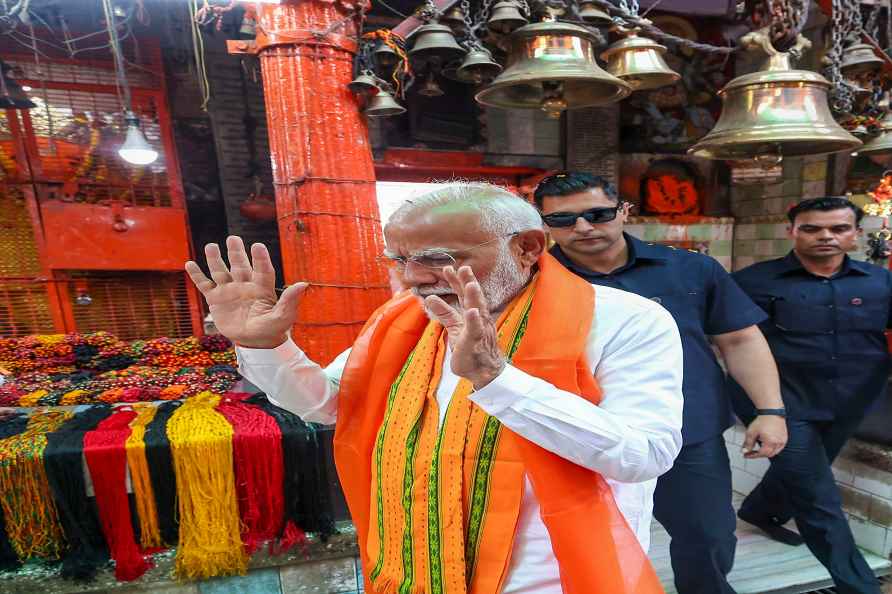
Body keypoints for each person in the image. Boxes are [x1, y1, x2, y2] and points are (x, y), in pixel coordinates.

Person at [185, 183, 684, 594]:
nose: (413, 278)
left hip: (548, 577)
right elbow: (327, 403)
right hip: (412, 566)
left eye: (437, 257)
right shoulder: (400, 320)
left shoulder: (625, 321)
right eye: (398, 259)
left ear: (527, 247)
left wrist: (498, 380)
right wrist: (268, 346)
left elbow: (644, 455)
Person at [533, 172, 788, 594]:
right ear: (544, 224)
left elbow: (740, 339)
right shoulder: (533, 281)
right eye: (563, 220)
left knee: (707, 537)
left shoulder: (689, 268)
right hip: (579, 436)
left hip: (686, 433)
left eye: (597, 214)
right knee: (580, 542)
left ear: (623, 211)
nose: (583, 227)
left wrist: (770, 410)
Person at [728, 196, 890, 594]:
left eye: (838, 229)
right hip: (780, 404)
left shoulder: (880, 282)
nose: (826, 237)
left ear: (855, 234)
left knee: (807, 474)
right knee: (819, 497)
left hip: (851, 399)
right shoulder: (754, 281)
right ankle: (858, 586)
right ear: (792, 232)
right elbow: (731, 341)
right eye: (812, 228)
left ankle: (760, 510)